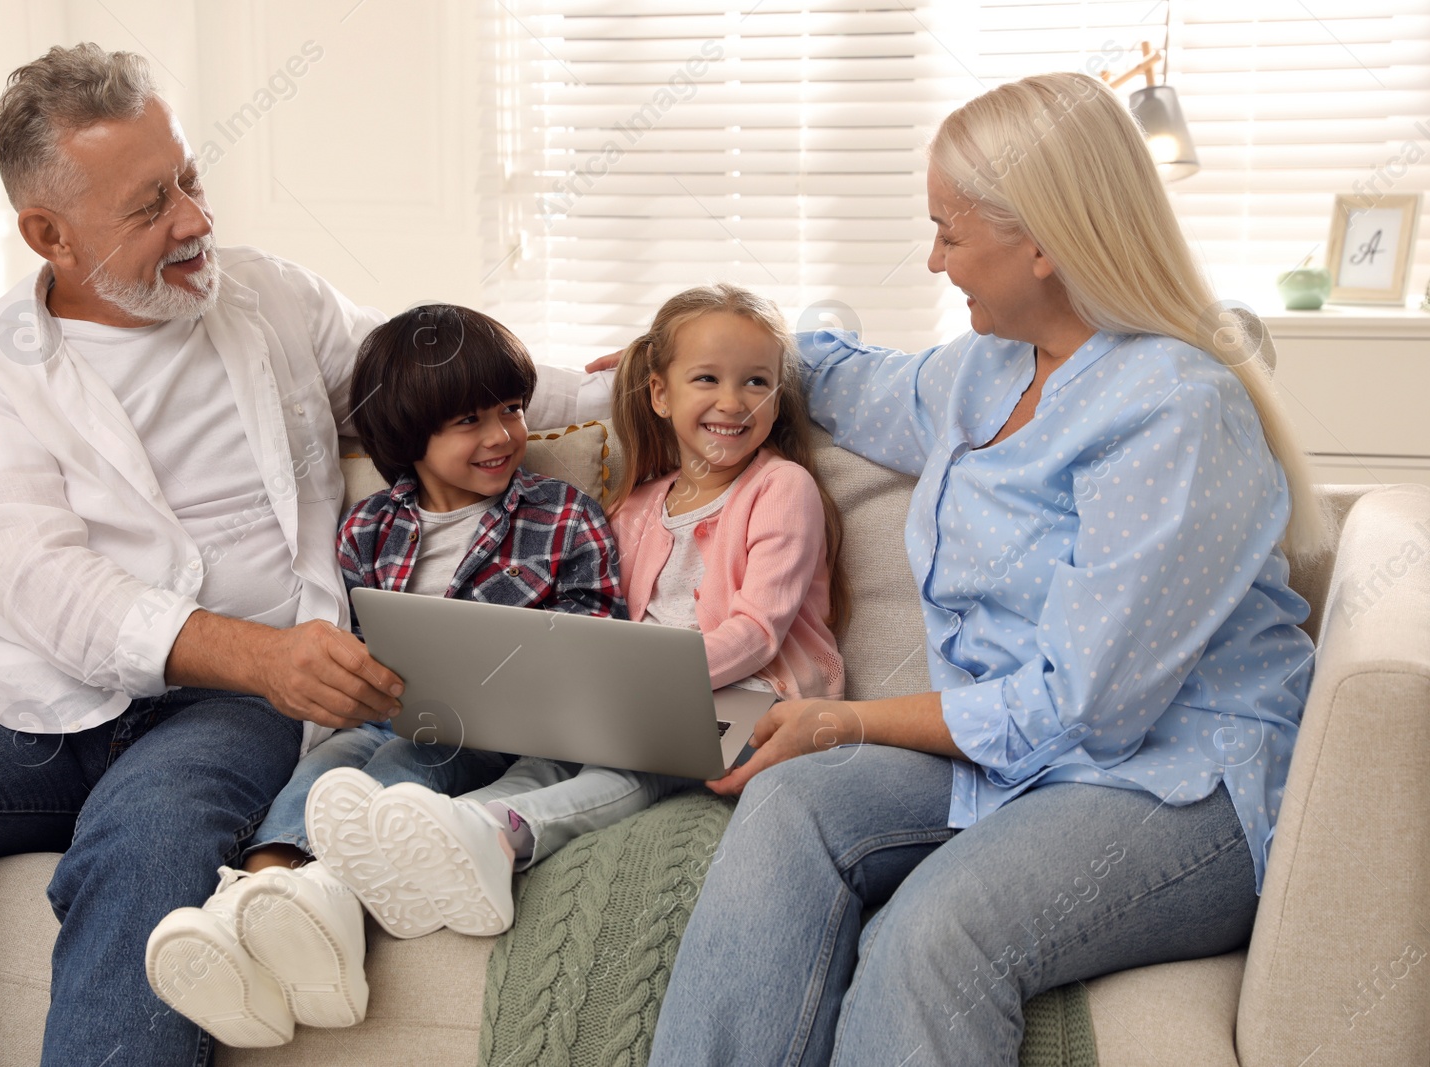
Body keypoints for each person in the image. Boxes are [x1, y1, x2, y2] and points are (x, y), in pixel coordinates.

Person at [0, 45, 605, 1067]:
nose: (196, 221)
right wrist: (262, 653)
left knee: (147, 849)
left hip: (231, 715)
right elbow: (48, 589)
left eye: (190, 179)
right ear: (47, 233)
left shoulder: (274, 301)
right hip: (24, 705)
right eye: (151, 205)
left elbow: (433, 378)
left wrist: (660, 375)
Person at [646, 71, 1329, 1066]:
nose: (934, 258)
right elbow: (830, 370)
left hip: (1175, 783)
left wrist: (846, 719)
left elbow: (1085, 708)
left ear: (1041, 240)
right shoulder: (984, 370)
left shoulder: (1175, 412)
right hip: (1019, 766)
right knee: (791, 801)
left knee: (936, 930)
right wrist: (672, 358)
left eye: (949, 232)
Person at [300, 282, 850, 950]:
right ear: (659, 393)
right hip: (642, 694)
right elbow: (608, 623)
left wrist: (640, 679)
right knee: (546, 758)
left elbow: (760, 630)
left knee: (628, 770)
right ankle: (438, 837)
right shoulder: (639, 502)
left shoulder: (781, 487)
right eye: (706, 378)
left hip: (764, 698)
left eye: (756, 381)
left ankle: (500, 833)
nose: (732, 402)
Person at [144, 303, 625, 1047]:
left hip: (503, 725)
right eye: (469, 420)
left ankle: (329, 895)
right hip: (395, 710)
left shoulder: (564, 516)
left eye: (511, 409)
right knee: (328, 760)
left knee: (406, 756)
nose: (501, 435)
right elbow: (362, 640)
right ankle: (253, 905)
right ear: (410, 437)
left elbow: (600, 642)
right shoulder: (369, 526)